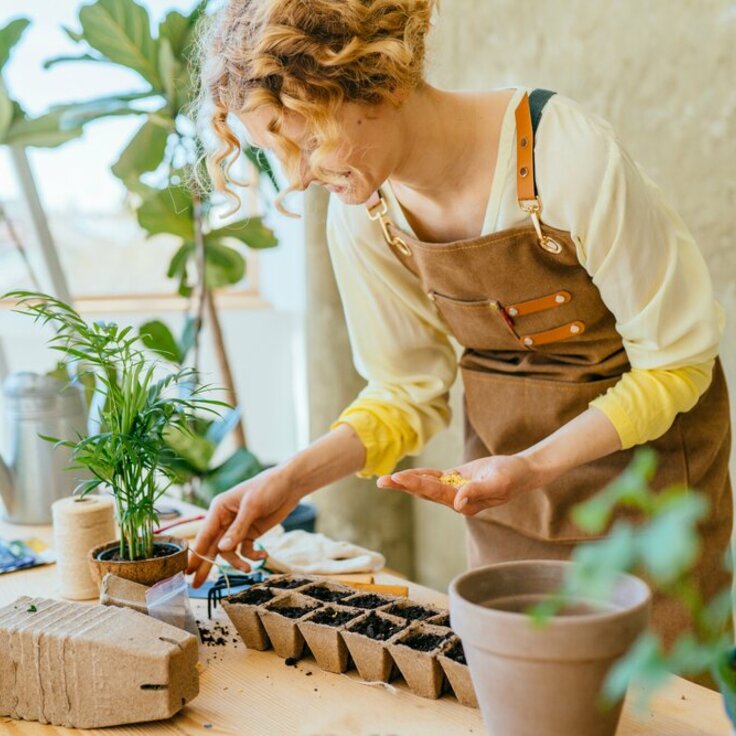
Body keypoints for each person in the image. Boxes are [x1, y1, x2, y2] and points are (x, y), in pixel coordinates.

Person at [186, 0, 732, 648]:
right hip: (507, 504)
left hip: (652, 497)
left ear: (376, 81)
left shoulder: (565, 157)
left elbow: (677, 363)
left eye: (306, 140)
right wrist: (290, 478)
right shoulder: (365, 216)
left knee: (658, 706)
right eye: (278, 152)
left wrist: (532, 465)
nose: (299, 177)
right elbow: (405, 390)